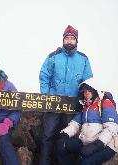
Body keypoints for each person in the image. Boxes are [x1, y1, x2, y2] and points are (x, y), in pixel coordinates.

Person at [39, 25, 93, 165]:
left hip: (72, 105)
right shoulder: (53, 56)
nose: (69, 41)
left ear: (76, 41)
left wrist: (82, 97)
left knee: (69, 136)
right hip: (53, 103)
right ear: (63, 40)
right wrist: (46, 96)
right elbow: (44, 76)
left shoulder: (83, 59)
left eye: (72, 39)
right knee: (48, 135)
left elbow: (88, 81)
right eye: (67, 38)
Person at [56, 83, 118, 165]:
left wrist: (97, 145)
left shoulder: (105, 103)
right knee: (62, 147)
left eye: (89, 90)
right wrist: (64, 134)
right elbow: (75, 124)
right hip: (87, 142)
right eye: (84, 91)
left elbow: (111, 128)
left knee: (85, 163)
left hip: (106, 145)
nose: (86, 93)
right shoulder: (85, 107)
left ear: (94, 91)